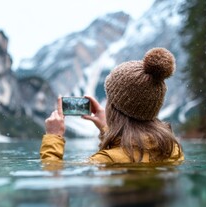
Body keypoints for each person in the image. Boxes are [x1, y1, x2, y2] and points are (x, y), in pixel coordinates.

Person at [40, 48, 184, 164]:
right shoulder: (173, 150)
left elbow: (53, 176)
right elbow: (129, 150)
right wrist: (106, 130)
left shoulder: (105, 161)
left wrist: (53, 137)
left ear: (114, 107)